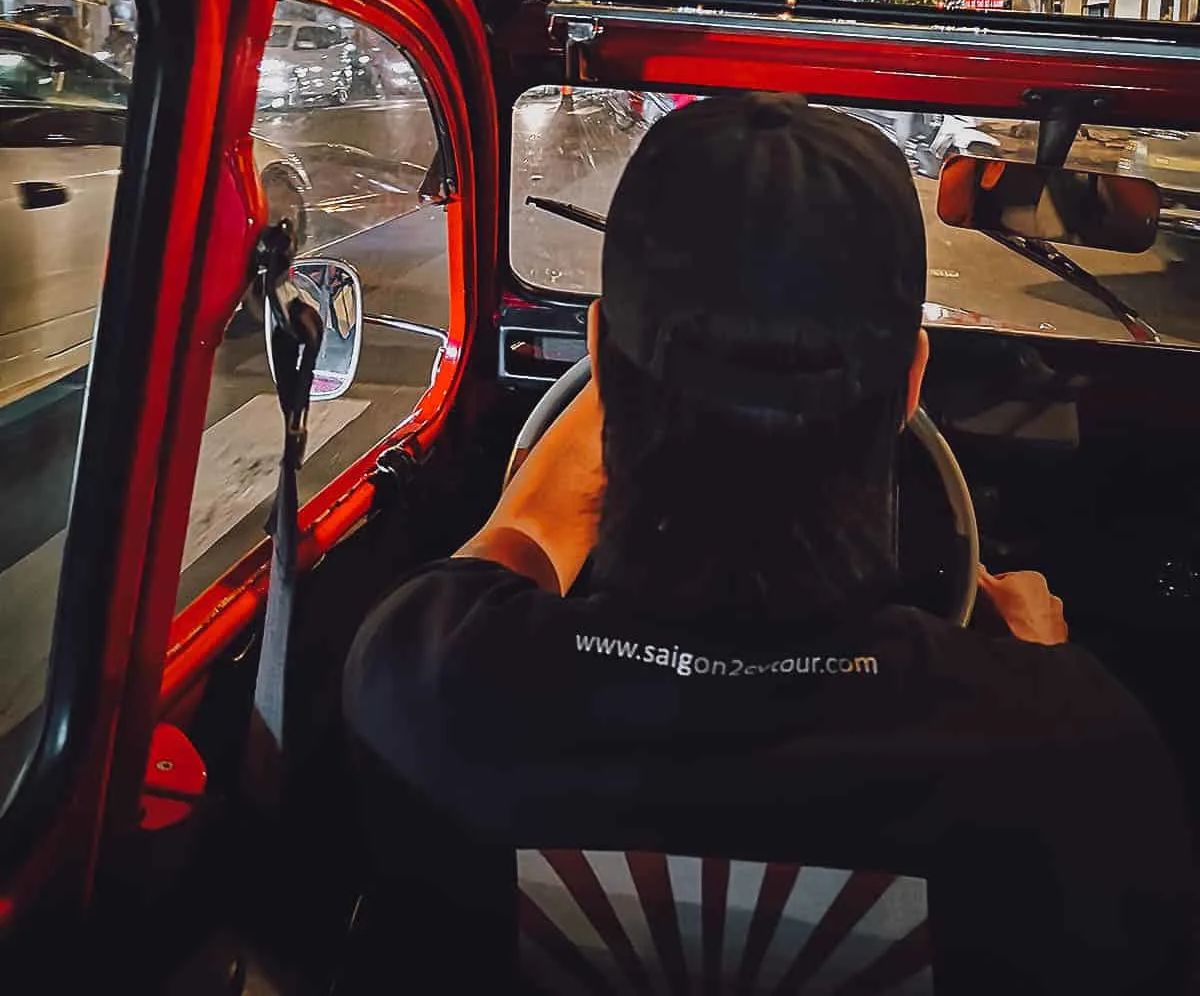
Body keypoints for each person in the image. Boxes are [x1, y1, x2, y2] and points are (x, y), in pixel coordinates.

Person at [343, 93, 1193, 993]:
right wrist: (1035, 666)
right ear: (911, 379)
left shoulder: (429, 687)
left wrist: (670, 366)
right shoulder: (1076, 763)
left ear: (598, 349)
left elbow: (524, 527)